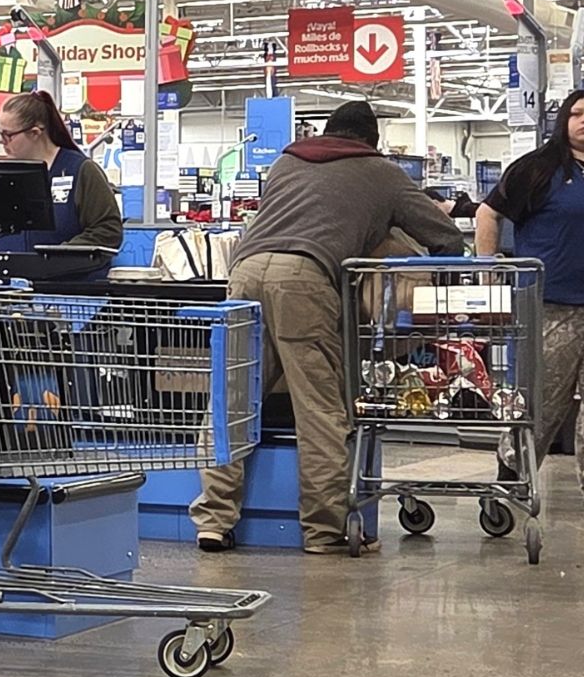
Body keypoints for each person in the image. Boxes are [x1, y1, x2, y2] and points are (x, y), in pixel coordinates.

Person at [192, 102, 462, 555]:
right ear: (372, 141)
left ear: (326, 131)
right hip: (304, 279)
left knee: (233, 401)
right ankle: (324, 531)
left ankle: (213, 522)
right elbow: (445, 236)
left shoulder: (287, 161)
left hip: (243, 273)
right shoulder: (382, 172)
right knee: (318, 407)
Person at [478, 89, 584, 482]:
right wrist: (487, 271)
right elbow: (488, 213)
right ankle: (511, 481)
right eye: (577, 114)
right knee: (540, 405)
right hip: (549, 305)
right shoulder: (538, 169)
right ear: (563, 120)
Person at [0, 90, 123, 251]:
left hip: (65, 267)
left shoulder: (81, 170)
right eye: (0, 132)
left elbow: (108, 230)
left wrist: (59, 255)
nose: (1, 141)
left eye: (8, 135)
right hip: (8, 266)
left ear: (34, 133)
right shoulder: (2, 174)